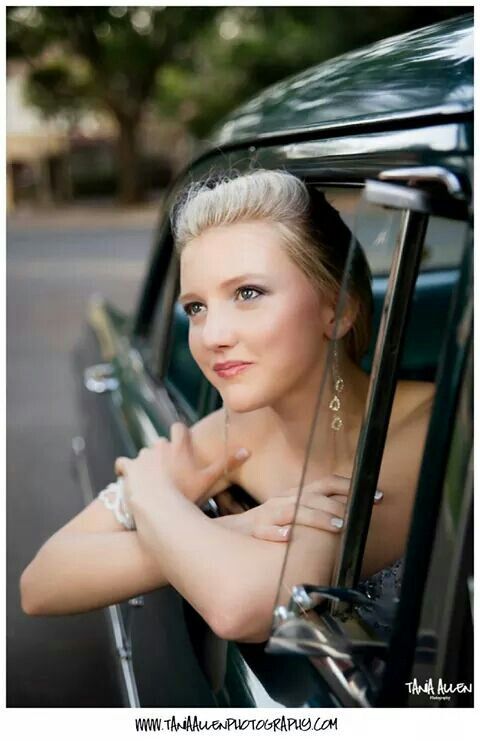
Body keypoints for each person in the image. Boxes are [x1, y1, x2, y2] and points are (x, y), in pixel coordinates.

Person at [20, 170, 434, 643]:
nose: (212, 336)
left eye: (248, 293)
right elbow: (41, 583)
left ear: (338, 309)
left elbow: (240, 608)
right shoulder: (239, 432)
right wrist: (238, 527)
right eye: (196, 307)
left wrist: (151, 492)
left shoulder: (424, 435)